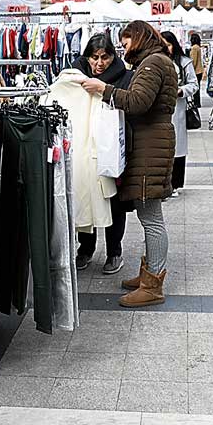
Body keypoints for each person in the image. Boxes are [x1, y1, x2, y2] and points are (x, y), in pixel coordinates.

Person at [82, 20, 178, 307]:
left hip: (151, 145)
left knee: (151, 217)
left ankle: (153, 285)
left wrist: (103, 89)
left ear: (137, 39)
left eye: (125, 44)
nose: (124, 50)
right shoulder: (157, 61)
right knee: (149, 215)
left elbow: (138, 102)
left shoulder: (152, 64)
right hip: (152, 142)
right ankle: (147, 274)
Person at [73, 33, 132, 275]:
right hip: (83, 149)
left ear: (112, 56)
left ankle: (114, 251)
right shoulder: (75, 78)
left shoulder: (125, 77)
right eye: (94, 57)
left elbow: (130, 106)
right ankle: (85, 248)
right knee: (85, 196)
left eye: (105, 57)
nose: (99, 63)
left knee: (114, 202)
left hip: (113, 150)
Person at [162, 30, 198, 197]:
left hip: (178, 108)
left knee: (177, 146)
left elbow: (194, 84)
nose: (166, 48)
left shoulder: (184, 62)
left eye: (168, 44)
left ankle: (175, 183)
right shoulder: (156, 61)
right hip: (159, 109)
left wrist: (181, 91)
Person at [188, 33, 205, 106]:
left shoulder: (194, 48)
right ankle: (197, 102)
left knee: (195, 87)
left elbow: (193, 60)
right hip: (199, 70)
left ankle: (196, 102)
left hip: (196, 71)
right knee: (197, 87)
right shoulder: (198, 47)